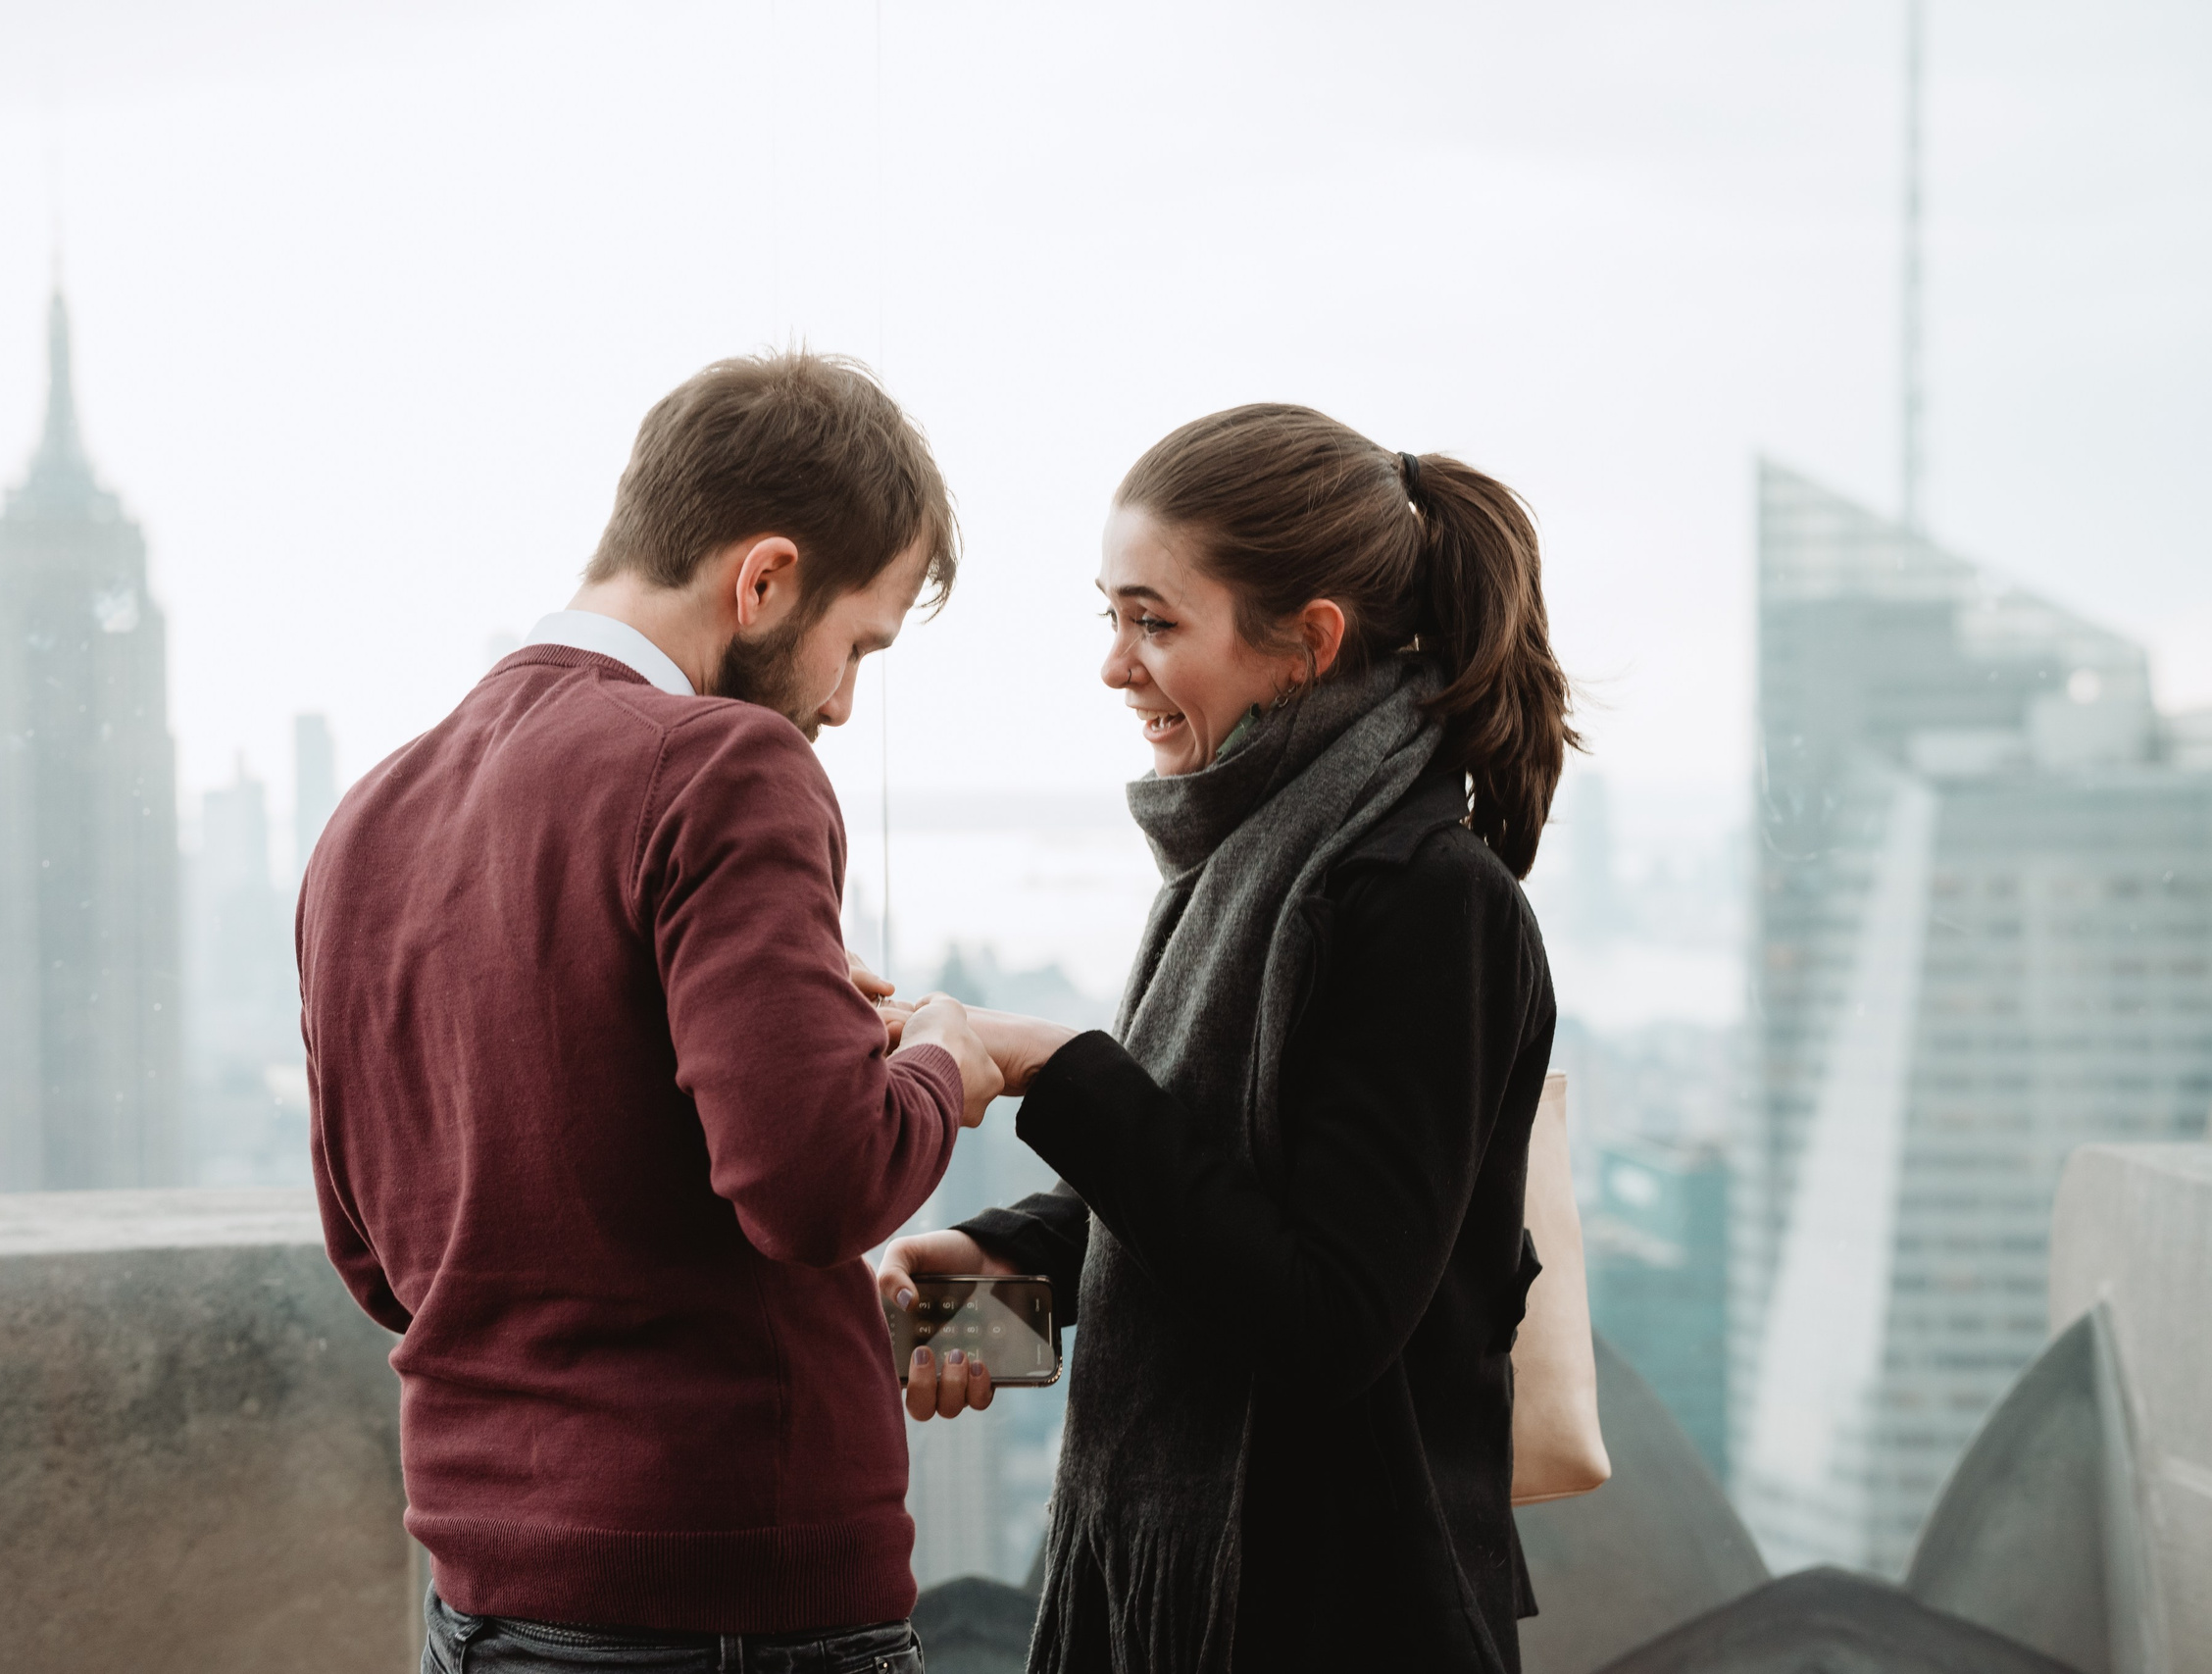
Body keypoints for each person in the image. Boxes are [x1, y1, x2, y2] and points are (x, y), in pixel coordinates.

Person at [300, 351, 1003, 1674]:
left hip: (486, 1602)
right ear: (766, 579)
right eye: (857, 644)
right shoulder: (722, 764)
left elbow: (377, 1261)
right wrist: (937, 1066)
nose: (843, 702)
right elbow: (817, 1187)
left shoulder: (370, 817)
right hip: (736, 1602)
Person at [878, 406, 1574, 1671]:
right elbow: (1220, 1196)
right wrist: (994, 1263)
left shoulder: (1429, 902)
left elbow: (1327, 1321)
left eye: (1156, 622)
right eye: (1112, 616)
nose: (1114, 664)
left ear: (1307, 642)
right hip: (1195, 1598)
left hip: (1332, 1617)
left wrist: (1053, 1066)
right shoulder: (1247, 860)